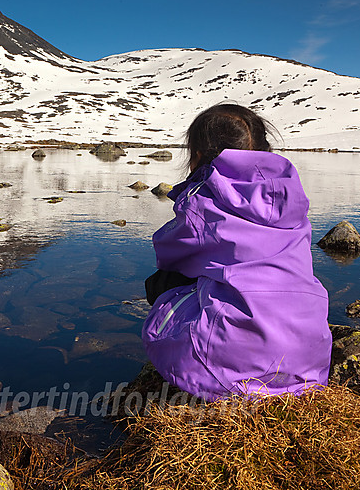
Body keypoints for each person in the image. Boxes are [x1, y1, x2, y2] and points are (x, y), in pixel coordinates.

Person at [142, 103, 331, 401]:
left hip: (229, 375)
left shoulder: (203, 202)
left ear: (199, 156)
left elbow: (168, 252)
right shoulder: (291, 200)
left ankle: (205, 367)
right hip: (311, 362)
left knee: (162, 283)